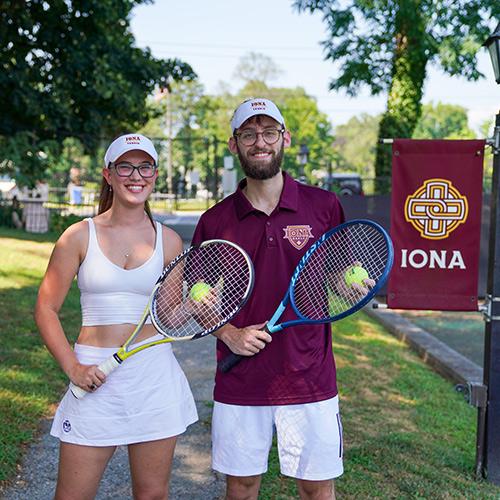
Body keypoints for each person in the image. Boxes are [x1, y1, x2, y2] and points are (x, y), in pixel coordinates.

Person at [191, 98, 346, 500]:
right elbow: (198, 301)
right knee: (241, 487)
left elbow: (340, 278)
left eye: (269, 132)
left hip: (309, 375)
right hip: (242, 378)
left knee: (317, 488)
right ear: (234, 144)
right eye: (249, 134)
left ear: (285, 138)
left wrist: (350, 287)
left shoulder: (324, 206)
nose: (260, 142)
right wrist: (229, 334)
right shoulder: (215, 221)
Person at [35, 133, 198, 499]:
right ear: (108, 174)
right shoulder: (78, 236)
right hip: (95, 378)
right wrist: (74, 368)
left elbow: (166, 317)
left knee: (152, 494)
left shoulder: (169, 241)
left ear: (155, 175)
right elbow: (45, 308)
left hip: (153, 379)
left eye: (145, 166)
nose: (135, 175)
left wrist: (191, 307)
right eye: (125, 165)